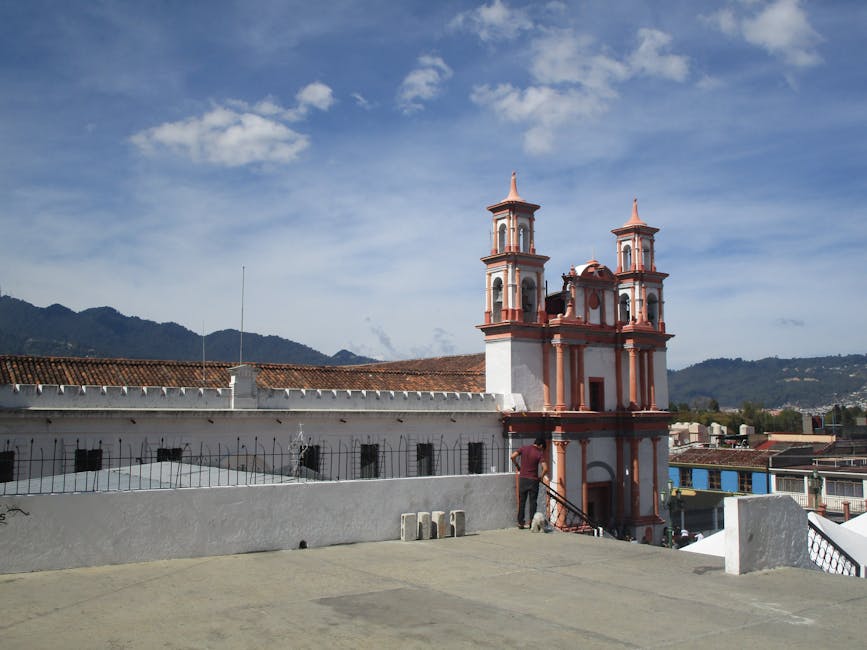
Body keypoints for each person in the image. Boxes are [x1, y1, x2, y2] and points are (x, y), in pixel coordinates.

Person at [510, 437, 549, 529]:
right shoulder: (539, 454)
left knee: (522, 502)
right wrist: (541, 477)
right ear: (541, 446)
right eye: (543, 449)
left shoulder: (524, 448)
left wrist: (517, 465)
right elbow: (546, 468)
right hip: (533, 481)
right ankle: (532, 523)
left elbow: (512, 456)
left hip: (523, 479)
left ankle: (520, 522)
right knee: (533, 503)